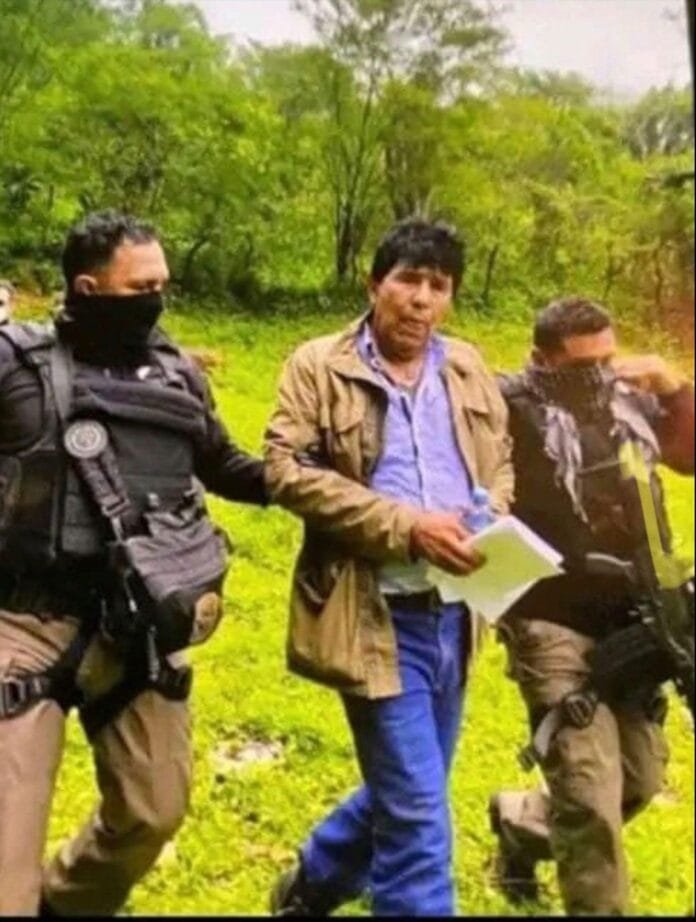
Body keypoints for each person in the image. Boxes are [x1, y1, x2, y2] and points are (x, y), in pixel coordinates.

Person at [0, 210, 268, 916]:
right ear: (87, 289)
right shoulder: (15, 365)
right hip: (24, 624)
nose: (156, 300)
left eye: (162, 285)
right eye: (141, 287)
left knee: (154, 810)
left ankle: (65, 903)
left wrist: (302, 480)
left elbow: (224, 464)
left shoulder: (177, 374)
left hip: (138, 627)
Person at [264, 217, 513, 916]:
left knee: (410, 786)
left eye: (439, 285)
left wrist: (489, 514)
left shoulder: (466, 367)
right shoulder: (320, 364)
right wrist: (407, 527)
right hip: (372, 613)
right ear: (375, 283)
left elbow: (501, 461)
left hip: (455, 615)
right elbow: (285, 468)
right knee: (419, 820)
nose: (422, 299)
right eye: (408, 280)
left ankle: (313, 882)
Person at [488, 296, 694, 915]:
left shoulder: (630, 403)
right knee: (588, 791)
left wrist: (676, 389)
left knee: (638, 780)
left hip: (632, 619)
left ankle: (521, 822)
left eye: (607, 360)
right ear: (542, 358)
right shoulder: (510, 408)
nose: (598, 376)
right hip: (549, 614)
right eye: (582, 366)